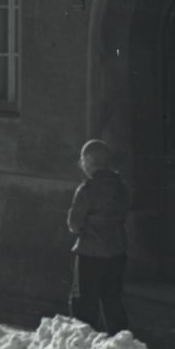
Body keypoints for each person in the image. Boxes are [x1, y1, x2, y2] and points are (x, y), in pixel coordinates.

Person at [67, 138, 130, 334]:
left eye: (83, 161)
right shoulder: (120, 186)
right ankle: (120, 343)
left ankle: (83, 344)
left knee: (84, 302)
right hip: (117, 251)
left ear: (88, 162)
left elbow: (74, 225)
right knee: (112, 301)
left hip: (90, 253)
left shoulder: (87, 189)